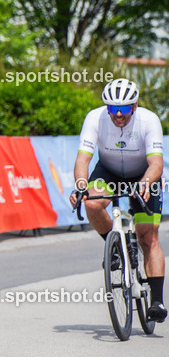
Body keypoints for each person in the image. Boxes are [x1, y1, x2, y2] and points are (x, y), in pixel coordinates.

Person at [70, 78, 166, 322]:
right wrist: (81, 186)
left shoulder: (149, 119)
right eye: (113, 109)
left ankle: (156, 300)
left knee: (148, 236)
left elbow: (156, 163)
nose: (119, 114)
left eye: (124, 108)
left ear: (134, 106)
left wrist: (145, 183)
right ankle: (114, 248)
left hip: (143, 175)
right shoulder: (95, 118)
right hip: (109, 172)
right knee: (90, 203)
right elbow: (83, 158)